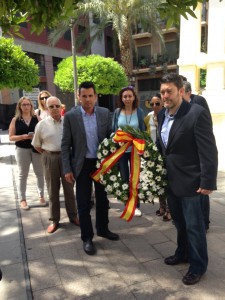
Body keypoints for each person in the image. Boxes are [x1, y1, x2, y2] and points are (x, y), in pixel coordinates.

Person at [157, 73, 218, 285]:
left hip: (192, 182)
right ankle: (182, 253)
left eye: (169, 91)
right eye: (163, 91)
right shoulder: (162, 115)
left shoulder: (196, 113)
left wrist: (208, 181)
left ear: (181, 91)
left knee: (195, 226)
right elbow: (164, 147)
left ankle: (198, 265)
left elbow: (208, 150)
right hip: (171, 181)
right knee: (179, 223)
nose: (165, 95)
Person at [61, 81, 119, 255]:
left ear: (95, 96)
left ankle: (103, 228)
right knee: (84, 203)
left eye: (90, 96)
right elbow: (65, 145)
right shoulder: (71, 117)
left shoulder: (103, 113)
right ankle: (87, 237)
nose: (87, 99)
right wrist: (67, 169)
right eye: (84, 96)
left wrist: (118, 138)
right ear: (79, 97)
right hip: (82, 165)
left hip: (101, 163)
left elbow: (110, 135)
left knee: (103, 200)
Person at [32, 96, 79, 234]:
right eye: (51, 106)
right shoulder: (41, 125)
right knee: (52, 190)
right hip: (50, 157)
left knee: (69, 188)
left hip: (66, 158)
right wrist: (49, 154)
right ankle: (54, 220)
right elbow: (37, 145)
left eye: (56, 106)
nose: (54, 108)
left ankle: (73, 216)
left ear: (61, 107)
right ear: (47, 108)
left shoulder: (68, 122)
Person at [112, 86, 145, 217]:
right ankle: (127, 203)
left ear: (134, 97)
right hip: (121, 150)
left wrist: (142, 146)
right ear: (121, 98)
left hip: (135, 150)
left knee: (134, 178)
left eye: (129, 96)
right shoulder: (117, 112)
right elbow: (114, 129)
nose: (127, 99)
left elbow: (142, 130)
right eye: (124, 96)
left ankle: (136, 206)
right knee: (125, 177)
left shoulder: (139, 112)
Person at [182, 80, 211, 231]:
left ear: (188, 92)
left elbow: (207, 124)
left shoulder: (198, 102)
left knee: (203, 192)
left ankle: (205, 221)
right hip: (188, 156)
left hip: (199, 152)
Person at [9, 97, 45, 210]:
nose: (26, 106)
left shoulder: (37, 118)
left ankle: (41, 196)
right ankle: (23, 199)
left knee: (39, 173)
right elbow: (11, 137)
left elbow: (44, 132)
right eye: (23, 105)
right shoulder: (15, 119)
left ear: (31, 106)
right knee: (22, 175)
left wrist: (36, 137)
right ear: (19, 106)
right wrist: (23, 137)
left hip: (36, 149)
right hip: (22, 149)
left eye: (28, 104)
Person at [144, 93, 171, 221]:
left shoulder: (167, 115)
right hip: (154, 153)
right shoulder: (148, 117)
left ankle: (170, 210)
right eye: (152, 104)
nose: (155, 106)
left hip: (166, 153)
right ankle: (162, 207)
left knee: (168, 182)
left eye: (157, 103)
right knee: (159, 182)